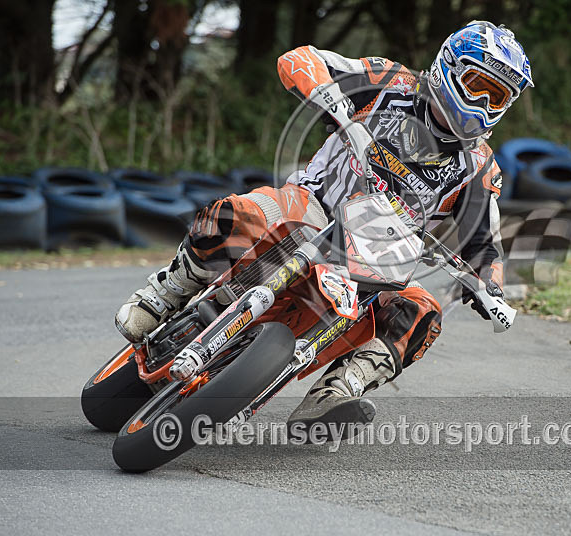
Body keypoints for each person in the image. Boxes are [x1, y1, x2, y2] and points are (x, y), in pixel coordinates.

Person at [115, 20, 533, 434]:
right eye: (479, 85)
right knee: (240, 213)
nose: (484, 102)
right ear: (450, 67)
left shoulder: (479, 167)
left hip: (381, 256)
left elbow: (486, 241)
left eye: (498, 96)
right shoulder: (391, 82)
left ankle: (337, 391)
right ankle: (165, 293)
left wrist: (490, 288)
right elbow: (300, 59)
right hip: (312, 208)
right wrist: (338, 108)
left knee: (422, 312)